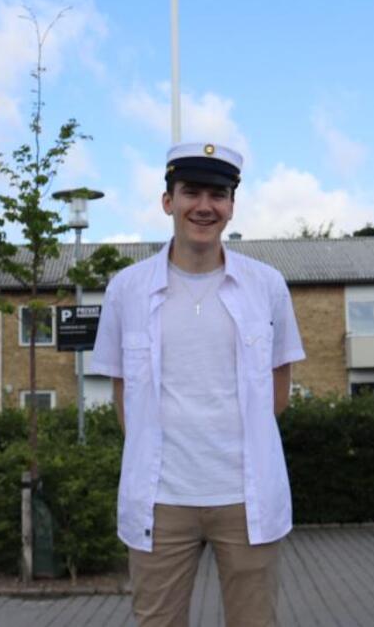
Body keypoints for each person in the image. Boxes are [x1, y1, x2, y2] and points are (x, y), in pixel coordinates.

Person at [90, 142, 305, 627]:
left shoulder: (267, 285)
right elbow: (123, 393)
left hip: (246, 498)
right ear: (168, 201)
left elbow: (279, 388)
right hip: (160, 500)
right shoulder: (127, 288)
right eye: (191, 192)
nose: (205, 206)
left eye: (218, 194)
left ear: (231, 206)